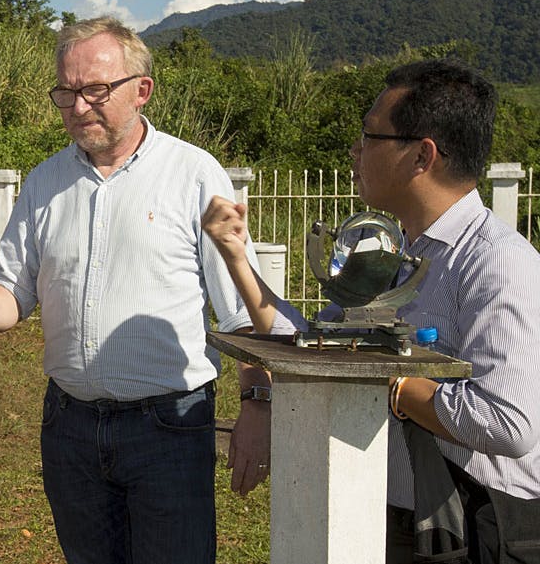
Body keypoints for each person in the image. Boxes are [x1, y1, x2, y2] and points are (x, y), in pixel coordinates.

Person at [0, 16, 273, 564]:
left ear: (142, 90)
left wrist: (257, 405)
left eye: (95, 90)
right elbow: (12, 292)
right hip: (68, 427)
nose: (78, 106)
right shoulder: (45, 182)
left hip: (170, 427)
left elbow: (239, 311)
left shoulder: (193, 174)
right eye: (65, 92)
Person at [204, 58, 540, 563]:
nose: (355, 151)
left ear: (421, 155)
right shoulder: (399, 251)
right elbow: (319, 339)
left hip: (476, 525)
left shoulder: (494, 263)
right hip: (399, 513)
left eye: (370, 136)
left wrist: (390, 381)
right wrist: (236, 255)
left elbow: (508, 423)